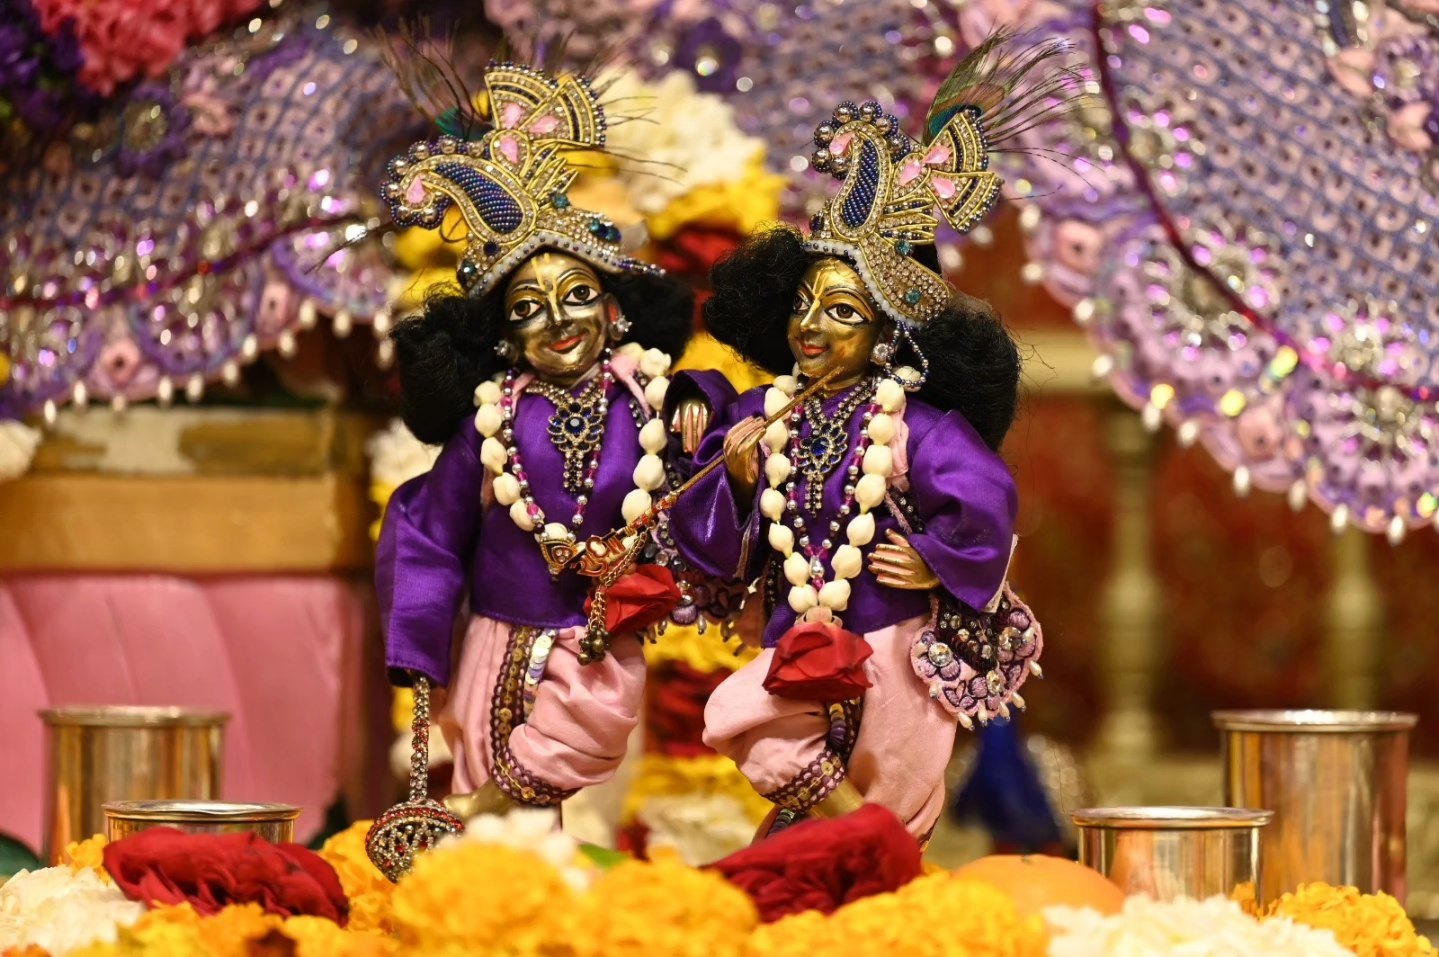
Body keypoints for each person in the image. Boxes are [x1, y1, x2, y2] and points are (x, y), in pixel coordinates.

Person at [668, 36, 1074, 842]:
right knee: (750, 726)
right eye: (803, 305)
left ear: (887, 337)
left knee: (890, 805)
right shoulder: (771, 410)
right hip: (795, 642)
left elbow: (985, 496)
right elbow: (704, 431)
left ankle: (875, 852)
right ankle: (860, 841)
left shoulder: (915, 428)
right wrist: (732, 469)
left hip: (894, 650)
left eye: (841, 312)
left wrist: (936, 561)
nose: (812, 326)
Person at [375, 60, 712, 819]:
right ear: (504, 337)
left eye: (578, 295)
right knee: (493, 823)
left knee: (592, 810)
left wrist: (700, 397)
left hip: (602, 654)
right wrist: (419, 642)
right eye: (528, 307)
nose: (557, 320)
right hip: (496, 644)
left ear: (615, 312)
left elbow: (714, 464)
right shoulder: (492, 419)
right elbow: (429, 529)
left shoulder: (650, 399)